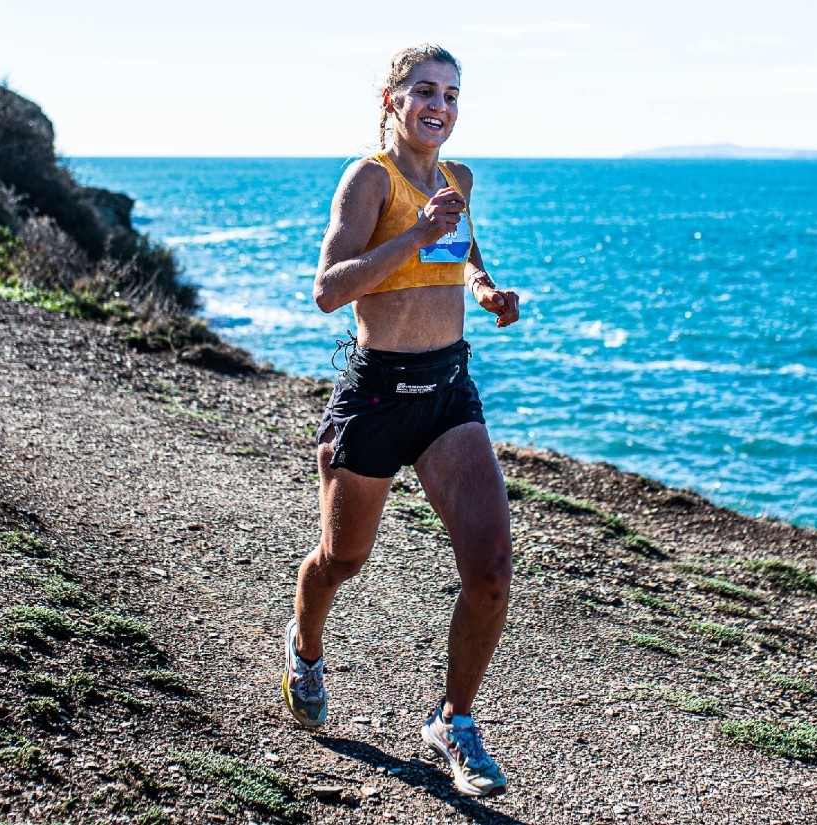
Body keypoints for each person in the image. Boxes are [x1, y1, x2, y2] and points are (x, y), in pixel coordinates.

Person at [282, 43, 520, 798]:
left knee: (489, 571)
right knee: (341, 560)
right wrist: (414, 233)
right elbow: (327, 289)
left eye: (451, 94)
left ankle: (453, 720)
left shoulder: (456, 178)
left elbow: (463, 249)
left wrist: (484, 287)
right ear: (391, 100)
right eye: (424, 91)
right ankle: (305, 649)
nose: (439, 106)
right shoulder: (368, 180)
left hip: (448, 389)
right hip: (379, 392)